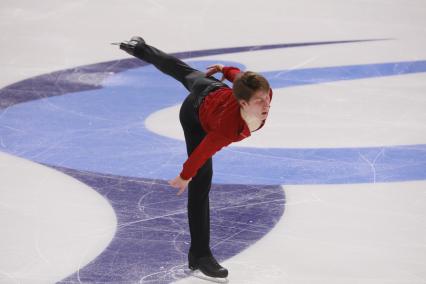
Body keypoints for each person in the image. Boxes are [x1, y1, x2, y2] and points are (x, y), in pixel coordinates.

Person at [118, 36, 272, 279]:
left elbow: (241, 78)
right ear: (243, 102)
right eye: (260, 101)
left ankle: (139, 47)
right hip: (195, 117)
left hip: (214, 89)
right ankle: (200, 255)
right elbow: (203, 151)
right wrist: (184, 176)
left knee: (185, 73)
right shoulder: (226, 128)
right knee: (202, 181)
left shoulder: (259, 93)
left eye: (266, 97)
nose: (267, 104)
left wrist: (224, 70)